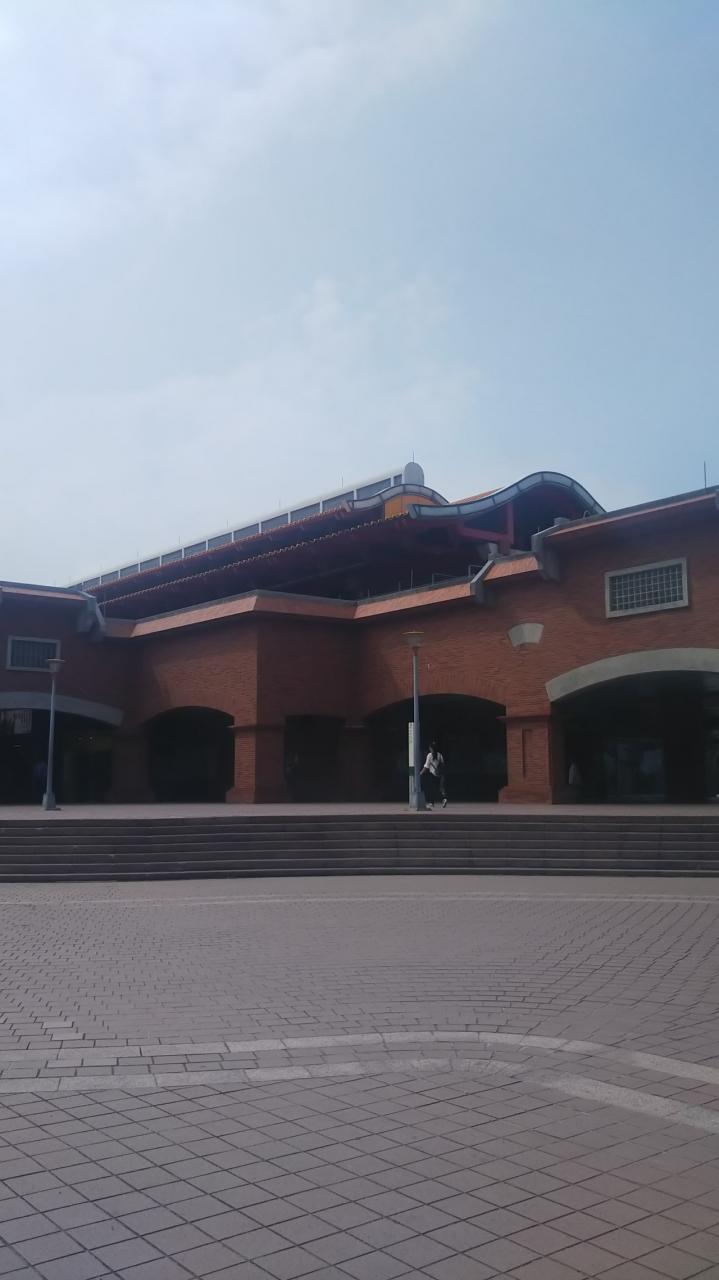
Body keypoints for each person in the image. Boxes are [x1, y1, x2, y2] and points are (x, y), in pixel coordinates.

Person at [421, 742, 447, 809]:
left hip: (433, 774)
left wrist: (420, 773)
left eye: (430, 747)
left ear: (431, 748)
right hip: (440, 774)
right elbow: (443, 764)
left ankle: (431, 803)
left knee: (432, 788)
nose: (429, 748)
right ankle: (444, 798)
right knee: (441, 787)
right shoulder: (440, 755)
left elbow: (426, 766)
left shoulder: (429, 755)